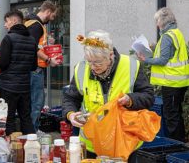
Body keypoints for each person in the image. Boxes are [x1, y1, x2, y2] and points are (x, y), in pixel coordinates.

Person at [62, 30, 154, 161]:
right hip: (92, 144)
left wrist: (130, 100)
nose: (93, 67)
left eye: (98, 62)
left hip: (124, 143)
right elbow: (70, 97)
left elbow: (148, 96)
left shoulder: (131, 66)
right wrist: (70, 114)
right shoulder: (81, 69)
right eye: (89, 62)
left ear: (110, 55)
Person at [137, 7, 189, 142]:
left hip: (171, 83)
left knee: (171, 116)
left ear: (163, 21)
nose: (156, 24)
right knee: (176, 114)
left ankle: (175, 145)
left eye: (157, 21)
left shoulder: (167, 37)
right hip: (179, 81)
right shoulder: (176, 32)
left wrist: (145, 60)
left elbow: (163, 60)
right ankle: (181, 143)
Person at [0, 10, 37, 136]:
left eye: (6, 21)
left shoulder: (8, 38)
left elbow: (2, 63)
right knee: (26, 119)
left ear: (14, 21)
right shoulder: (32, 40)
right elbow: (34, 66)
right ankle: (30, 147)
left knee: (8, 119)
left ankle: (11, 149)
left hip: (8, 87)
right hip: (25, 86)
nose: (5, 25)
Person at [25, 1, 62, 132]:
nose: (53, 18)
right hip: (34, 69)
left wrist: (47, 43)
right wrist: (48, 59)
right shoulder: (37, 26)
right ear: (48, 12)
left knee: (34, 102)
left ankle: (31, 130)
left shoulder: (32, 23)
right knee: (37, 103)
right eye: (53, 15)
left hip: (31, 69)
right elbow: (33, 47)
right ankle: (33, 132)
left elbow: (37, 45)